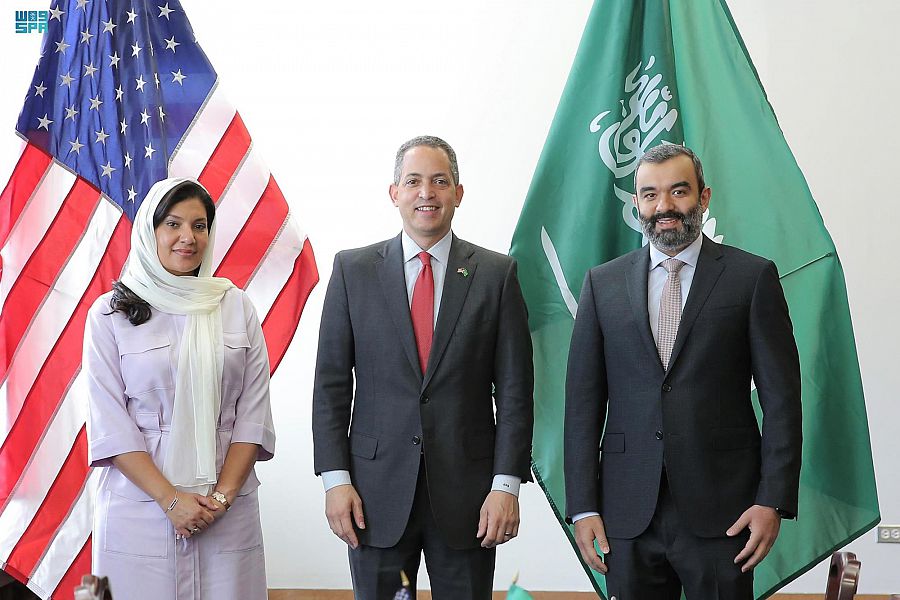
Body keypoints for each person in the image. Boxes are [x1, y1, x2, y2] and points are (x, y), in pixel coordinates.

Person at [564, 144, 802, 599]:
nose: (664, 206)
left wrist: (772, 500)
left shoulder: (751, 277)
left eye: (678, 191)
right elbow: (582, 406)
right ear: (637, 204)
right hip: (625, 514)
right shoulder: (602, 283)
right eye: (650, 194)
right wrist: (582, 507)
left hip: (725, 511)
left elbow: (783, 401)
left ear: (703, 197)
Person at [312, 135, 534, 599]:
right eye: (413, 182)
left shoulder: (497, 275)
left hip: (471, 498)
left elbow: (515, 393)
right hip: (372, 495)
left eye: (439, 181)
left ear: (459, 193)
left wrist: (506, 485)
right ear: (394, 193)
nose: (426, 193)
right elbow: (331, 386)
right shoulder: (353, 271)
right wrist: (335, 480)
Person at [84, 177, 275, 599]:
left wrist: (220, 499)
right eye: (173, 224)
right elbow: (110, 425)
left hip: (225, 507)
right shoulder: (108, 315)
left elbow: (253, 415)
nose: (188, 237)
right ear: (149, 232)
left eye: (199, 225)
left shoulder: (236, 306)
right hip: (141, 507)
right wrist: (171, 501)